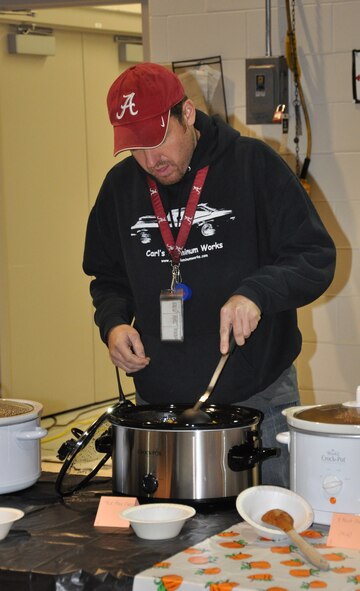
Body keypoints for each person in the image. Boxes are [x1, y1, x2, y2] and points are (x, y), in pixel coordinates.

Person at [83, 62, 336, 488]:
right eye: (135, 149)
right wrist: (112, 323)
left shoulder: (254, 166)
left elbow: (314, 257)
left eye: (157, 142)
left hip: (258, 401)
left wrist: (256, 294)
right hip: (158, 407)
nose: (150, 161)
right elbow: (106, 277)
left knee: (268, 535)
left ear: (186, 115)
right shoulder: (119, 189)